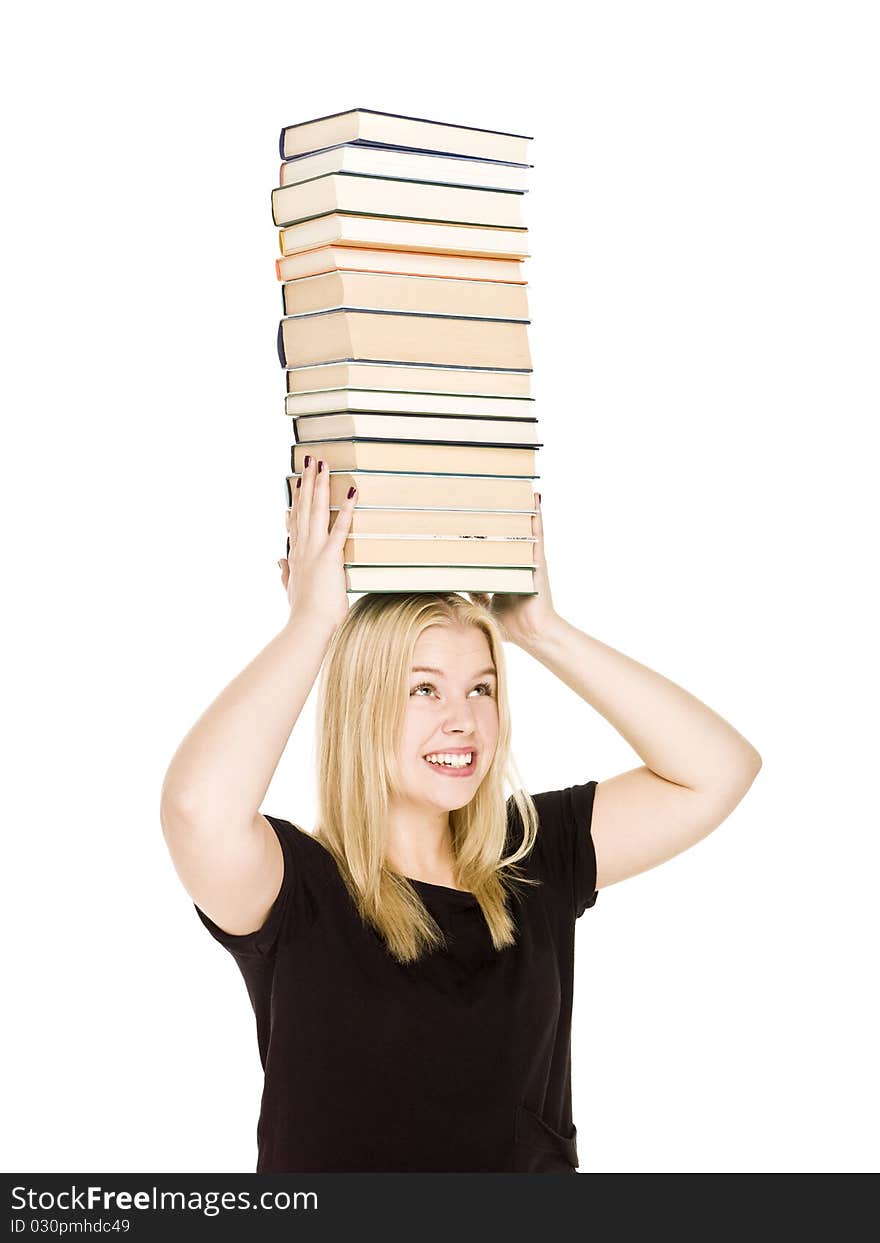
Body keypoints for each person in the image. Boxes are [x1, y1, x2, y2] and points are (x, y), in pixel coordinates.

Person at [160, 455, 762, 1173]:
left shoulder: (530, 857)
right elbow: (198, 809)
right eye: (423, 690)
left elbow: (718, 770)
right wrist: (312, 623)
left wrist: (542, 631)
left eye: (481, 688)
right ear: (363, 707)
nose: (463, 720)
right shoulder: (298, 893)